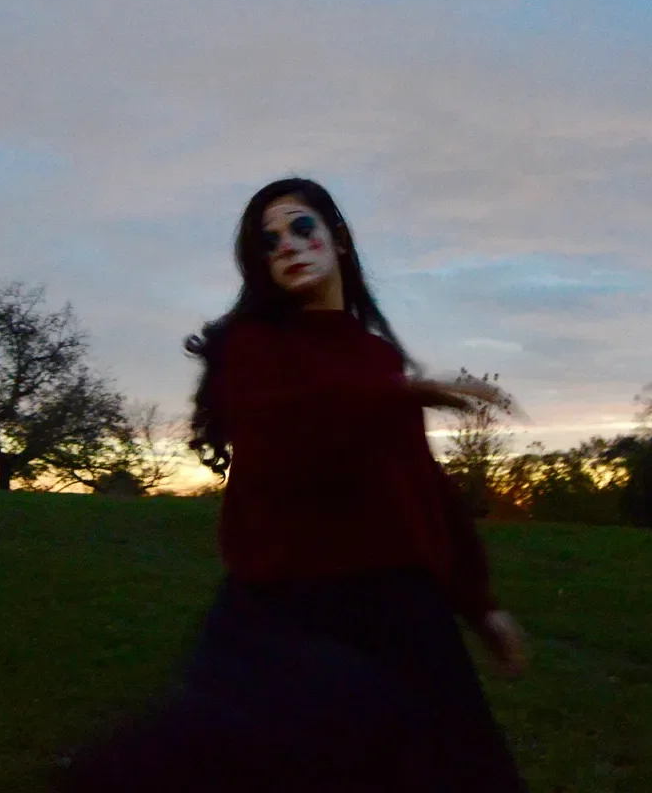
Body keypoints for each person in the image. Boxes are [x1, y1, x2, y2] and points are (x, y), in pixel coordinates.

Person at [54, 177, 529, 792]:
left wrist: (479, 603)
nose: (287, 246)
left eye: (302, 227)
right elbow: (283, 432)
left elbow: (421, 489)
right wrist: (400, 395)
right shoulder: (252, 348)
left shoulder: (378, 360)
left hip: (402, 611)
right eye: (268, 241)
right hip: (294, 611)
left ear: (340, 240)